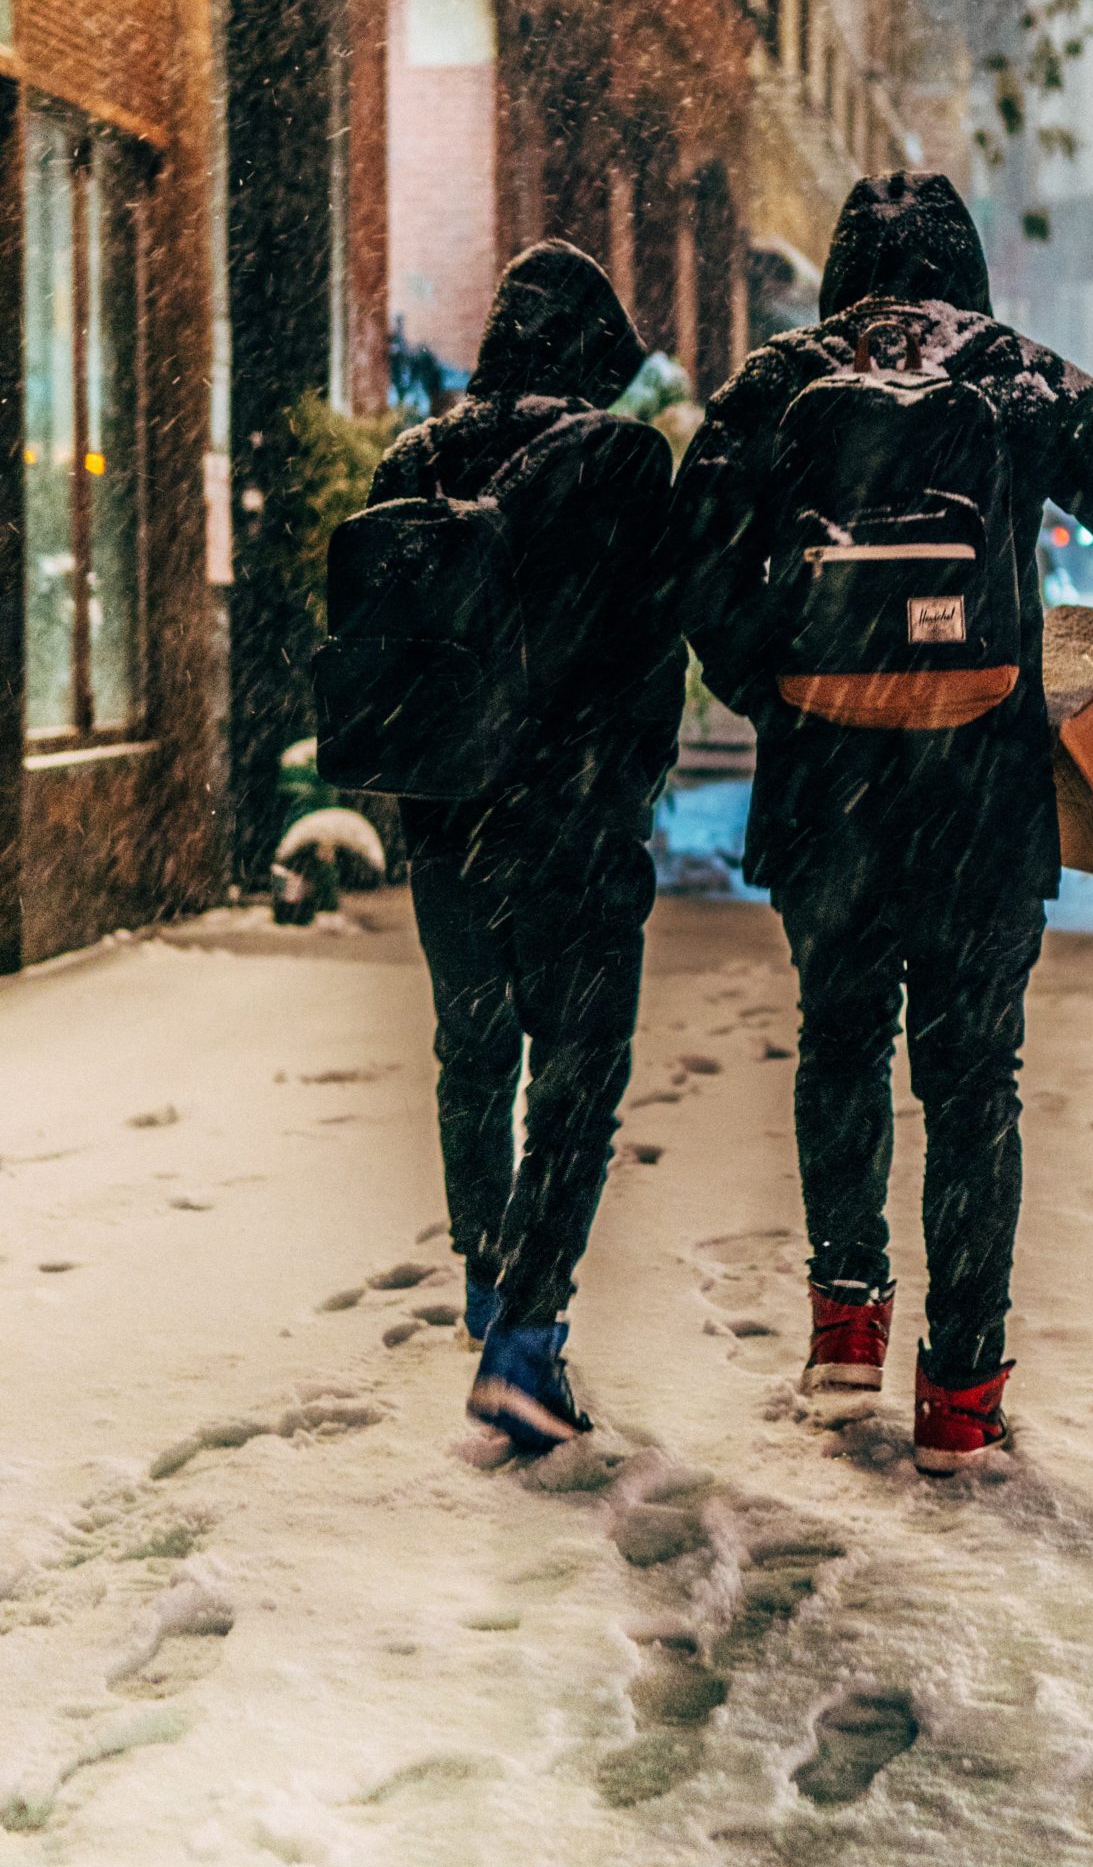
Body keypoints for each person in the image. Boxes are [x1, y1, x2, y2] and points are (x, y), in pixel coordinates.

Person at [671, 172, 1093, 1471]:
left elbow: (693, 555)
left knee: (837, 1044)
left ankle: (842, 1336)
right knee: (970, 1084)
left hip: (824, 795)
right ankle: (959, 1400)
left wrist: (776, 691)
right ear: (968, 272)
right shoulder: (1015, 380)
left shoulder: (778, 384)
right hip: (980, 798)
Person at [366, 241, 682, 1451]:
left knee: (474, 1051)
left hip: (447, 824)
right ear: (593, 356)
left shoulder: (415, 459)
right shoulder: (619, 463)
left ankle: (487, 1280)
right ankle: (526, 1343)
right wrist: (622, 786)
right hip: (574, 821)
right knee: (577, 1078)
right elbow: (655, 654)